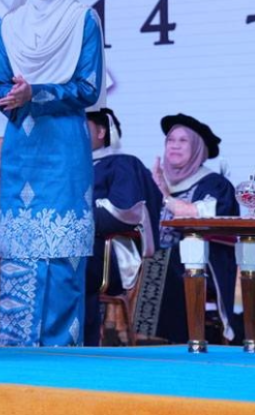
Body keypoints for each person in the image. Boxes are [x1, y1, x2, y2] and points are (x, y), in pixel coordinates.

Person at [0, 0, 104, 347]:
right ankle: (15, 352)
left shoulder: (82, 19)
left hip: (63, 148)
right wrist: (12, 95)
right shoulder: (10, 25)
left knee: (61, 259)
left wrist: (35, 93)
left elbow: (88, 88)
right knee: (20, 255)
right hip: (22, 146)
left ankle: (59, 357)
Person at [141, 113, 238, 344]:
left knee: (169, 257)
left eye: (183, 141)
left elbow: (199, 213)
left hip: (207, 259)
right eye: (170, 140)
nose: (174, 146)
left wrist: (164, 196)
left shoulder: (214, 184)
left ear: (196, 148)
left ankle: (172, 339)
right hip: (162, 256)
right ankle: (129, 336)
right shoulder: (156, 181)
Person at [82, 108, 162, 346]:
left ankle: (77, 343)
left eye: (82, 126)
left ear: (101, 131)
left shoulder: (121, 163)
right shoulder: (68, 166)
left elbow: (124, 212)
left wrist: (75, 219)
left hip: (108, 253)